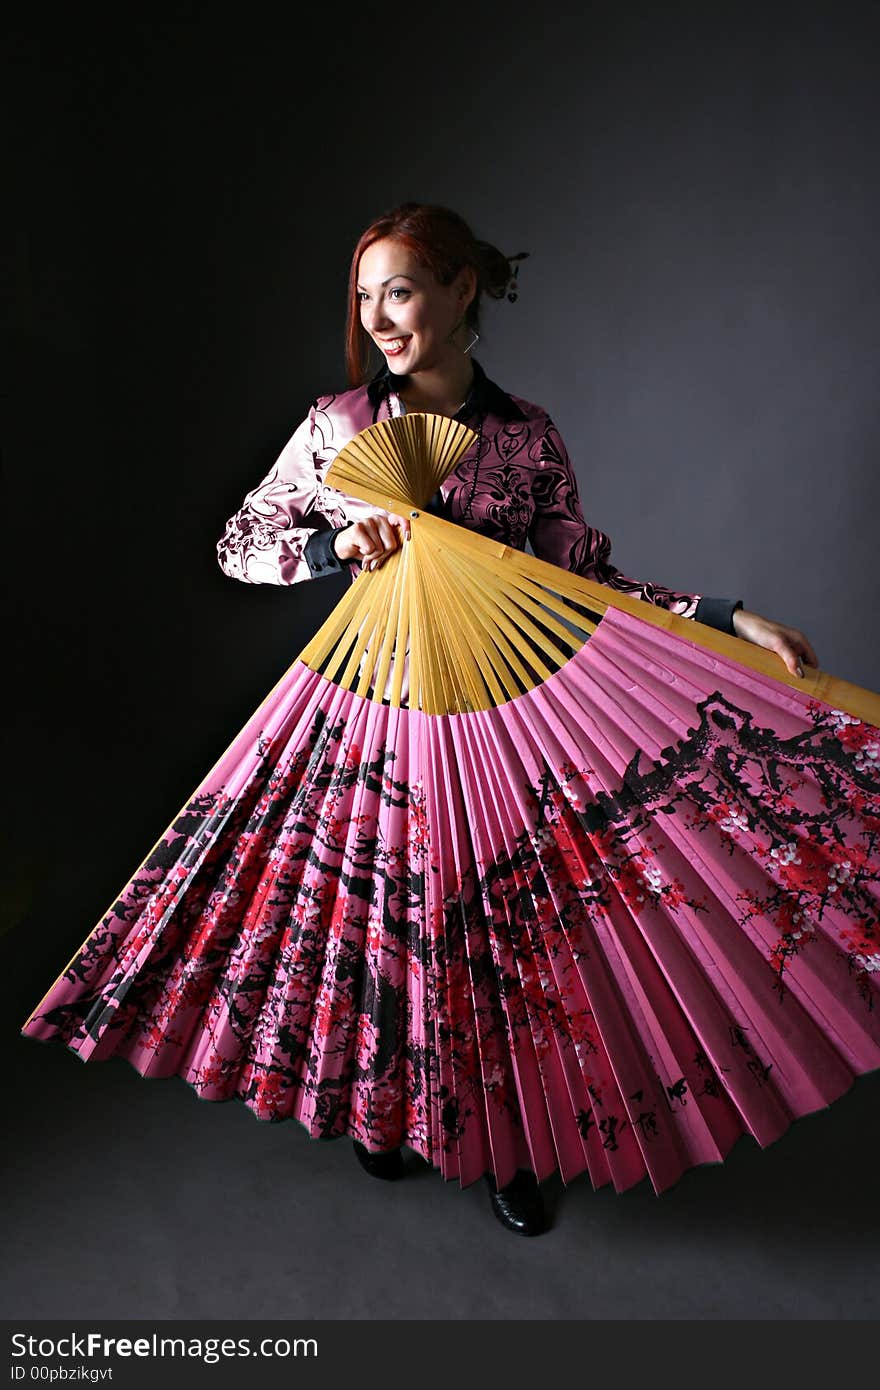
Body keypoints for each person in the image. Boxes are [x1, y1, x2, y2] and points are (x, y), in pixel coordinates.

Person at [216, 201, 819, 1235]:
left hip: (505, 711)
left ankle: (513, 1143)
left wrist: (729, 616)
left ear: (460, 290)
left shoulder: (525, 437)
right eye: (364, 297)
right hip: (384, 711)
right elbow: (239, 539)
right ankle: (385, 1107)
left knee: (508, 933)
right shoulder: (337, 426)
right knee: (390, 920)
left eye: (399, 290)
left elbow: (590, 582)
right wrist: (329, 551)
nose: (379, 317)